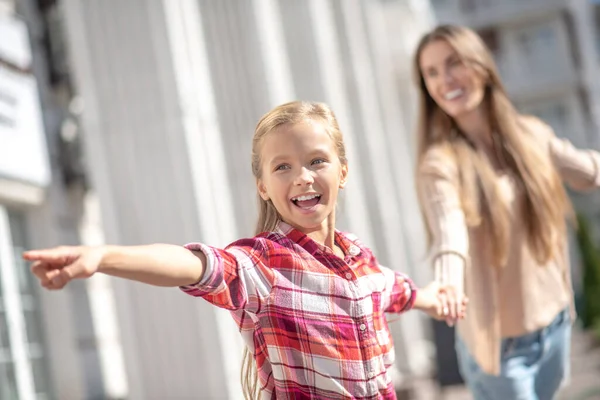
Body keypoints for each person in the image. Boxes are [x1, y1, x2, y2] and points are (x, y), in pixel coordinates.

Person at [24, 101, 467, 399]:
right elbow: (195, 265)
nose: (303, 177)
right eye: (283, 167)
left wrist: (437, 299)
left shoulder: (359, 258)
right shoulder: (264, 266)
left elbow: (399, 291)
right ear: (264, 187)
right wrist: (102, 257)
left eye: (317, 161)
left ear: (343, 171)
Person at [414, 24, 600, 400]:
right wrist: (447, 281)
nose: (443, 79)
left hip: (555, 325)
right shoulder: (440, 163)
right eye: (431, 73)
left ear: (480, 65)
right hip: (499, 349)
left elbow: (587, 170)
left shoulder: (532, 134)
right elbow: (449, 230)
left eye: (453, 63)